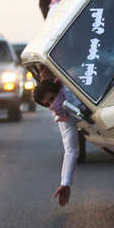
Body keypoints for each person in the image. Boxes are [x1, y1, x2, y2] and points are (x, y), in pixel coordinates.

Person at [34, 72, 83, 207]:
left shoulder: (73, 82)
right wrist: (65, 183)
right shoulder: (64, 117)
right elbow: (71, 151)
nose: (53, 104)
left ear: (56, 89)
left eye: (52, 98)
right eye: (48, 103)